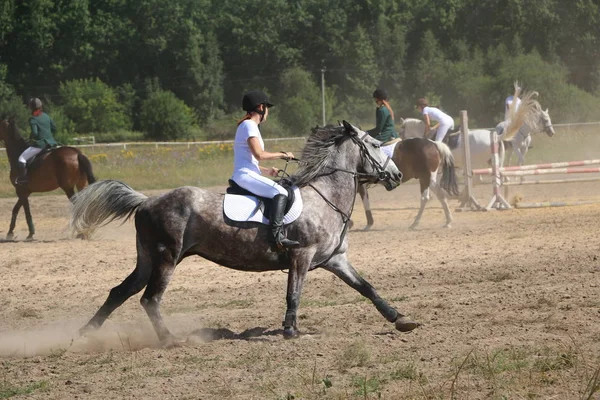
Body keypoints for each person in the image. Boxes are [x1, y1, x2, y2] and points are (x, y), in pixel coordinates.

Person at [231, 90, 300, 251]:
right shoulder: (249, 125)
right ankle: (276, 237)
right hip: (244, 176)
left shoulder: (247, 125)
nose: (268, 111)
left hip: (247, 173)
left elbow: (249, 160)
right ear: (261, 108)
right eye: (267, 108)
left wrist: (267, 171)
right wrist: (283, 155)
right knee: (280, 192)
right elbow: (259, 154)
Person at [15, 98, 58, 185]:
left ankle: (23, 179)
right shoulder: (46, 116)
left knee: (22, 159)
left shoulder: (33, 119)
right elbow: (54, 128)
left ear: (31, 108)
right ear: (41, 106)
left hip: (40, 145)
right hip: (51, 143)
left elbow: (35, 133)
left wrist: (31, 138)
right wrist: (49, 137)